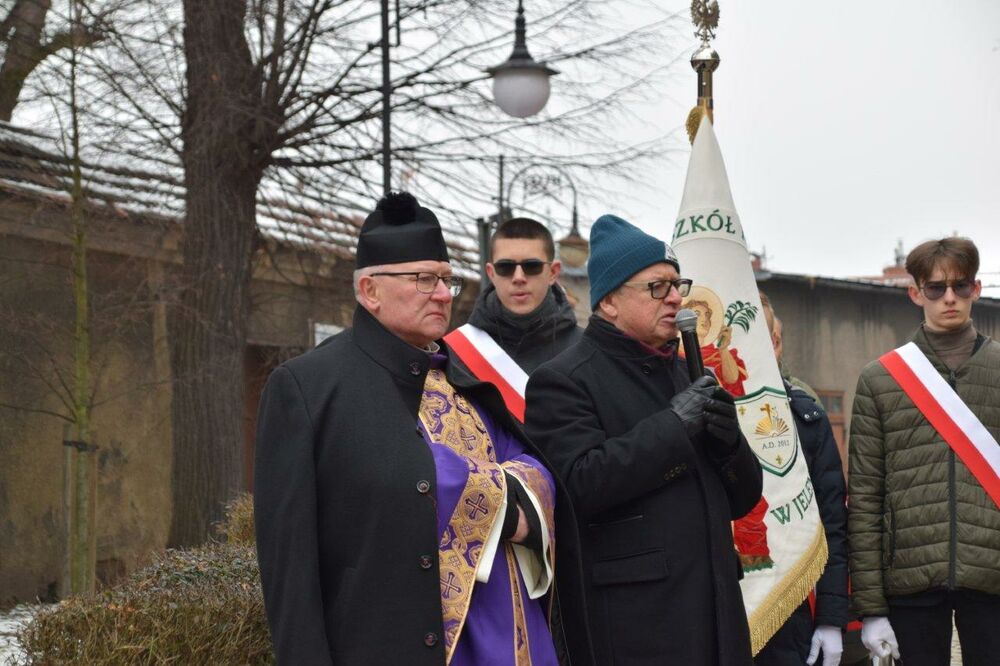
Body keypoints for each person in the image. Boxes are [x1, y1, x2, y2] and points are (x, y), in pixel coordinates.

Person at [254, 192, 581, 665]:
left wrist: (505, 498)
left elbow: (535, 469)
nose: (445, 294)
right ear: (370, 290)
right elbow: (290, 573)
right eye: (425, 279)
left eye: (447, 278)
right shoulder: (307, 388)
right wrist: (497, 499)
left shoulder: (463, 379)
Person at [525, 213, 763, 666]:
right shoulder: (564, 381)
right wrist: (674, 428)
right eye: (657, 287)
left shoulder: (689, 373)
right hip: (637, 626)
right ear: (610, 301)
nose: (675, 297)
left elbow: (743, 499)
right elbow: (577, 486)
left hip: (716, 615)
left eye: (677, 284)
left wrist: (730, 443)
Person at [847, 237, 1000, 666]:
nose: (949, 298)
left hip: (993, 577)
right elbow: (865, 498)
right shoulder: (880, 380)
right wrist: (871, 608)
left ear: (976, 289)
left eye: (960, 286)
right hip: (909, 577)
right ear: (915, 293)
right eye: (936, 288)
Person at [752, 292, 849, 666]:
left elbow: (831, 521)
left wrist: (831, 616)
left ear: (775, 341)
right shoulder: (695, 413)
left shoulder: (806, 416)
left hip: (793, 606)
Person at [463, 217, 582, 374]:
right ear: (491, 274)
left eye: (532, 266)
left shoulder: (586, 352)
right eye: (505, 267)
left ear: (553, 272)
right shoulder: (459, 351)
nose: (518, 277)